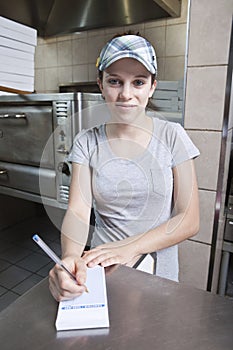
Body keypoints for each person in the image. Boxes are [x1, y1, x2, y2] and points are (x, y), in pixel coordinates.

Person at [49, 33, 200, 301]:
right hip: (104, 272)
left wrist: (129, 247)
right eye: (115, 81)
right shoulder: (87, 141)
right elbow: (78, 212)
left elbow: (188, 219)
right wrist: (71, 257)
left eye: (138, 82)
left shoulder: (172, 136)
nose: (126, 94)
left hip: (158, 276)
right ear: (101, 84)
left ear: (152, 86)